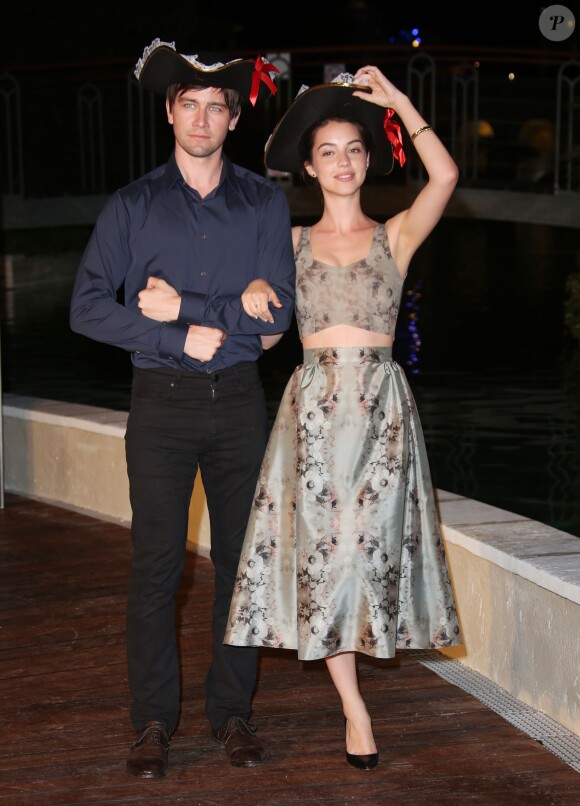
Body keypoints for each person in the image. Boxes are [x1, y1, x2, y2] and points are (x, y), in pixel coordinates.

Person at [224, 66, 463, 770]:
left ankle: (360, 685)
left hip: (382, 415)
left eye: (354, 150)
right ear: (308, 165)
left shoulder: (396, 236)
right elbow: (264, 330)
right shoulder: (290, 243)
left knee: (371, 554)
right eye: (327, 151)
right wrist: (256, 290)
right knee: (325, 562)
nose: (342, 162)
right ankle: (355, 711)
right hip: (315, 416)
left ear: (367, 159)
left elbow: (444, 177)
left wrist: (398, 102)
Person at [69, 38, 296, 778]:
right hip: (160, 403)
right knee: (157, 568)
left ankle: (232, 714)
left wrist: (190, 309)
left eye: (216, 107)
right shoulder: (132, 206)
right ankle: (152, 723)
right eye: (189, 104)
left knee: (240, 567)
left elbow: (276, 322)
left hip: (237, 403)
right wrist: (171, 333)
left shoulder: (264, 203)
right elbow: (86, 309)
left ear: (233, 120)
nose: (201, 118)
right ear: (171, 112)